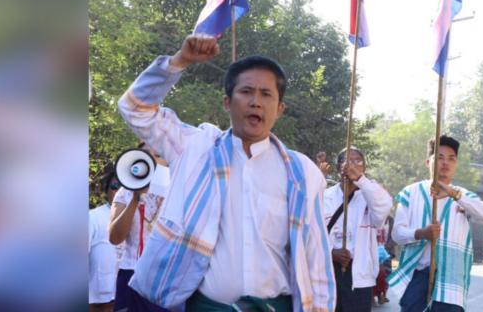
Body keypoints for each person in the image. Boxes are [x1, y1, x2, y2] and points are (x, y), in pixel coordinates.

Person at [117, 34, 336, 311]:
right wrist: (179, 61)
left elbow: (316, 258)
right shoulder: (195, 148)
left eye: (266, 94)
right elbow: (134, 108)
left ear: (280, 109)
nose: (255, 102)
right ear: (226, 102)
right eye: (246, 91)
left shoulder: (303, 173)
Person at [388, 136, 483, 312]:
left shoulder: (462, 196)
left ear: (456, 164)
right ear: (428, 162)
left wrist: (453, 193)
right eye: (440, 157)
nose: (445, 163)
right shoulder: (410, 193)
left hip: (451, 279)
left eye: (451, 158)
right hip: (417, 273)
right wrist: (421, 233)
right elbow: (397, 234)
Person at [324, 147, 392, 311]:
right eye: (347, 161)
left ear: (364, 168)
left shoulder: (371, 194)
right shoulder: (325, 196)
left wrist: (360, 180)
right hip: (328, 273)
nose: (352, 165)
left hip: (360, 277)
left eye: (358, 161)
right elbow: (313, 233)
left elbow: (384, 207)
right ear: (339, 167)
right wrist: (330, 252)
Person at [108, 144, 170, 312]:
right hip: (131, 272)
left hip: (164, 274)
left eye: (157, 155)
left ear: (167, 161)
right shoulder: (125, 192)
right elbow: (115, 237)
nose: (151, 160)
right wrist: (136, 198)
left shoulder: (177, 190)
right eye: (145, 155)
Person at [90, 165, 120, 312]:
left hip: (127, 295)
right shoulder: (92, 217)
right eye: (115, 186)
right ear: (105, 190)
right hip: (99, 301)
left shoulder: (144, 218)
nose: (120, 192)